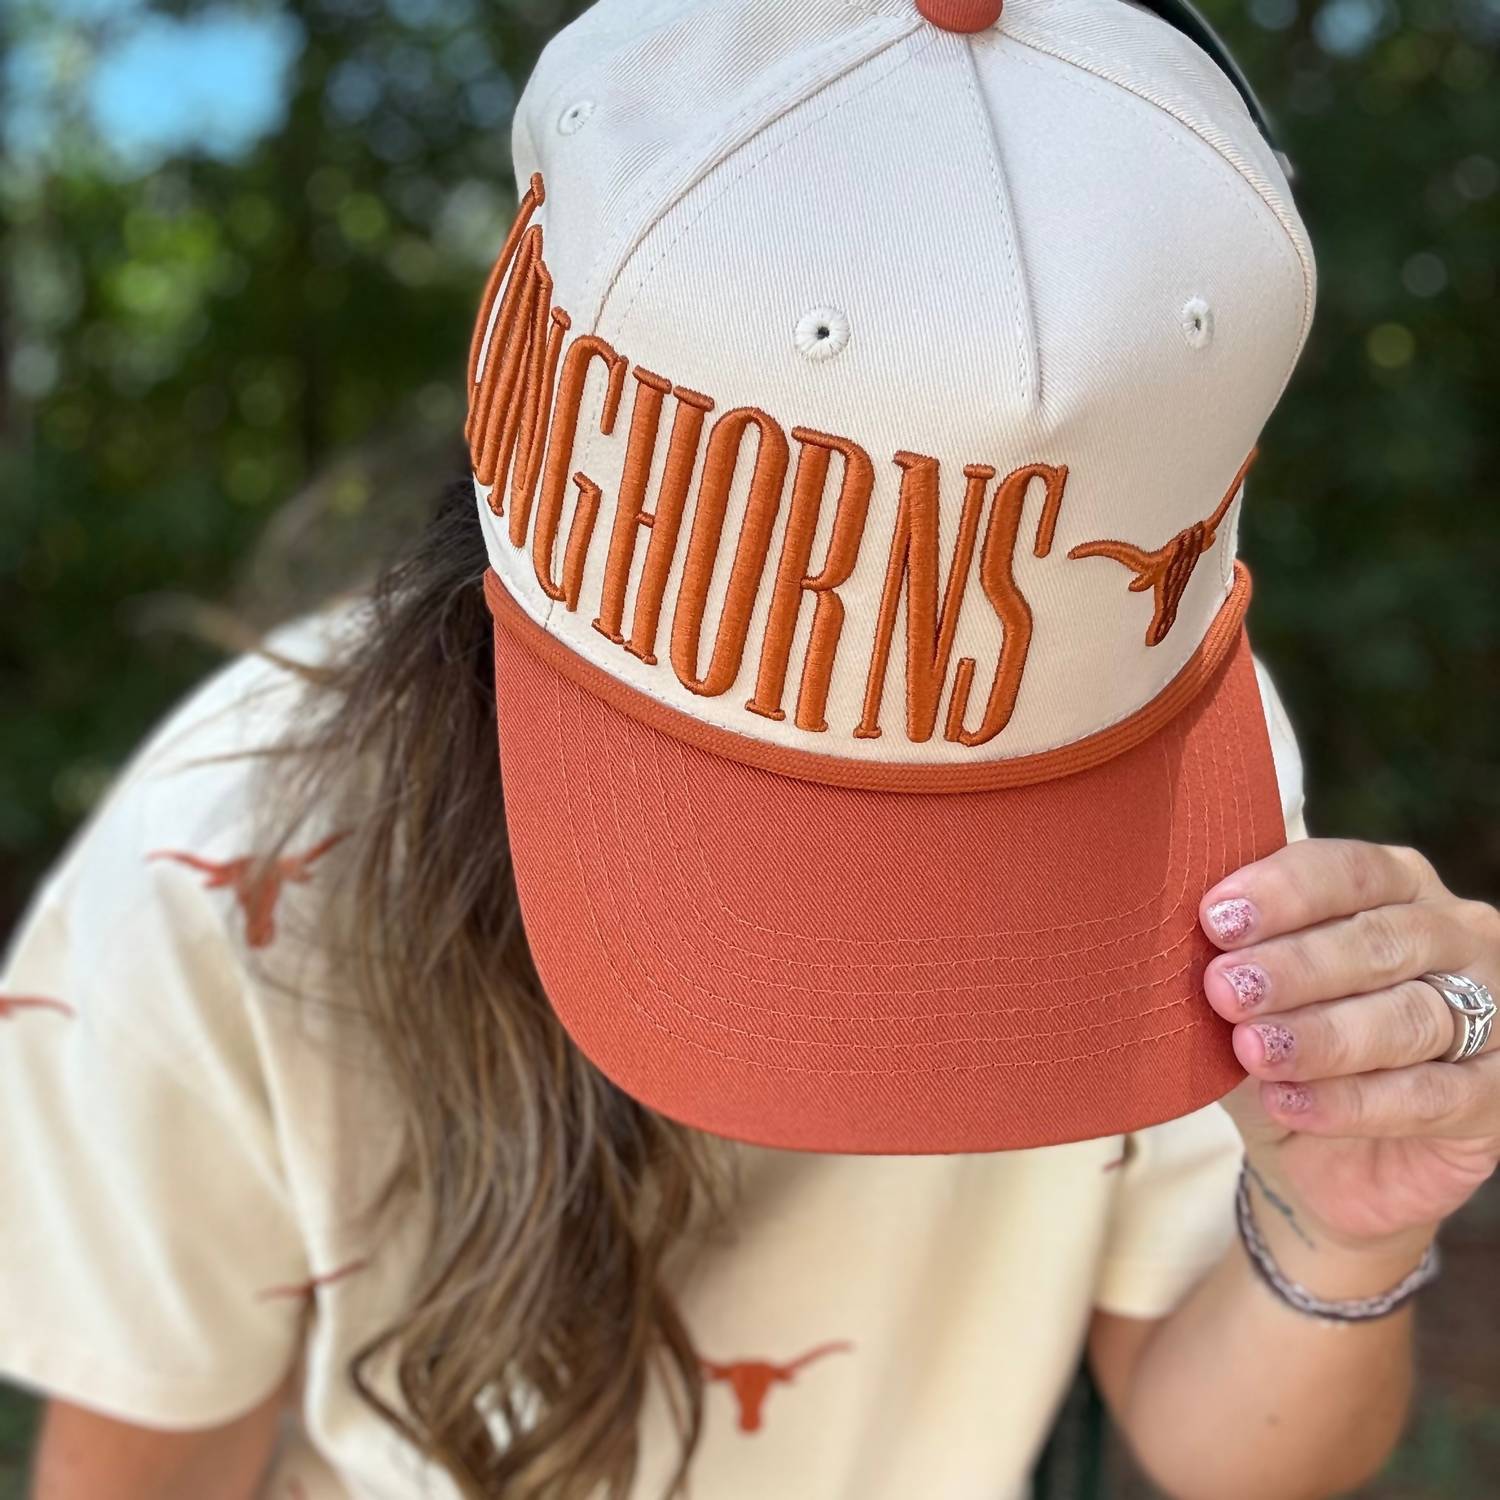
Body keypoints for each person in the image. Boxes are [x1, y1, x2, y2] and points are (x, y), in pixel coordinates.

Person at [3, 1, 1498, 1498]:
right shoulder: (226, 869)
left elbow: (1225, 1442)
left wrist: (1344, 1227)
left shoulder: (1171, 769)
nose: (888, 944)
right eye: (771, 816)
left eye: (1012, 817)